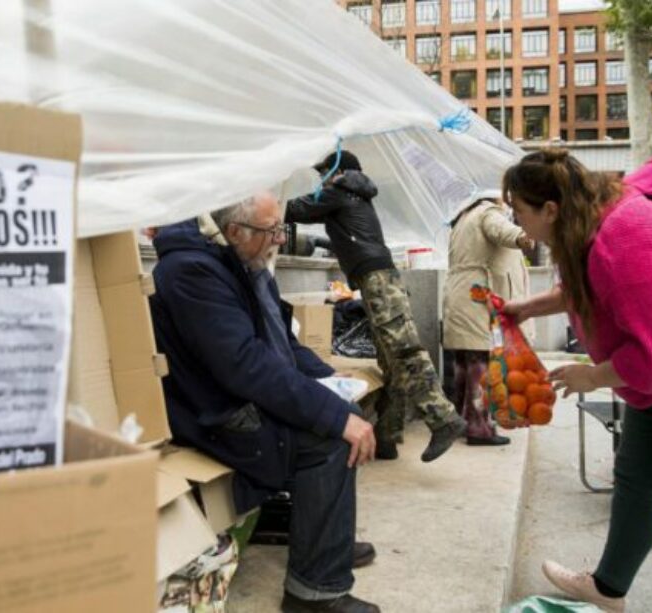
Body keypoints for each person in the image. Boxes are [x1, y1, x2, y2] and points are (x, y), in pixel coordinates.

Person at [149, 192, 381, 613]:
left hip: (235, 396)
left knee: (345, 412)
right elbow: (244, 365)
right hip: (213, 412)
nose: (278, 239)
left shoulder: (244, 263)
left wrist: (329, 379)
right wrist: (331, 413)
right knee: (335, 438)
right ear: (234, 231)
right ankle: (315, 592)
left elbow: (285, 347)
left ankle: (327, 545)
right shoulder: (191, 271)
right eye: (270, 230)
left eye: (281, 228)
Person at [501, 149, 652, 613]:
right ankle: (608, 588)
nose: (517, 224)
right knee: (637, 478)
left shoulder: (624, 239)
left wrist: (593, 375)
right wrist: (527, 308)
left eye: (519, 212)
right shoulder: (590, 223)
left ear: (550, 209)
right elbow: (581, 287)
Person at [285, 149, 467, 462]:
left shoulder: (338, 190)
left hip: (377, 280)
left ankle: (443, 418)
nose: (320, 180)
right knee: (391, 361)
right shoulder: (354, 193)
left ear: (337, 171)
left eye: (323, 173)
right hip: (379, 279)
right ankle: (387, 436)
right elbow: (350, 234)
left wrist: (259, 194)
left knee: (404, 352)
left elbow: (294, 209)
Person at [442, 191, 534, 446]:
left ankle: (461, 421)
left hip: (462, 297)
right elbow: (503, 231)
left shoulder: (463, 218)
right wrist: (524, 236)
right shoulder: (488, 213)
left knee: (464, 365)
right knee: (481, 366)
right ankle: (479, 429)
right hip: (478, 299)